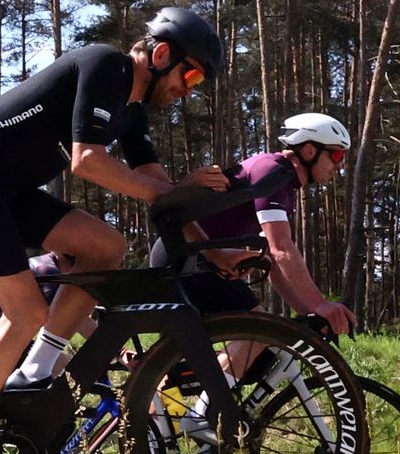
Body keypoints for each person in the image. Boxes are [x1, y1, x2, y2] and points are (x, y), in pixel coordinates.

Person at [0, 6, 230, 454]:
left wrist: (206, 238)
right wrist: (167, 192)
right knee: (25, 314)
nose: (189, 88)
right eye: (190, 73)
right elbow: (88, 161)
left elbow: (161, 189)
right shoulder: (106, 65)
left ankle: (37, 372)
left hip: (8, 191)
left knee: (106, 246)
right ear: (163, 53)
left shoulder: (132, 111)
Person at [150, 112, 357, 335]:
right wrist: (319, 304)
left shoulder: (282, 179)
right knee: (259, 334)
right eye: (336, 155)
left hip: (201, 259)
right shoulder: (271, 171)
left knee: (262, 336)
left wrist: (309, 313)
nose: (339, 166)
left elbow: (273, 259)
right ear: (309, 150)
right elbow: (281, 249)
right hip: (185, 258)